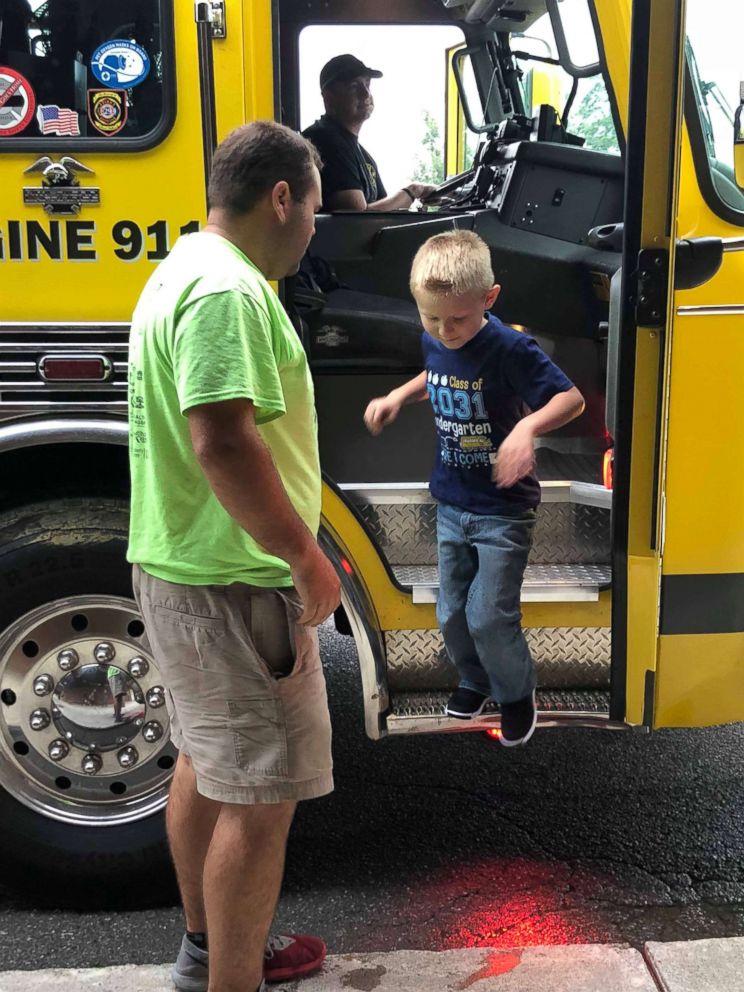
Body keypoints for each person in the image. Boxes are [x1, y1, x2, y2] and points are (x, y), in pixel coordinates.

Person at [127, 120, 341, 992]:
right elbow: (220, 440)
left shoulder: (183, 268)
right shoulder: (229, 291)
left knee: (210, 769)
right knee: (262, 797)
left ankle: (212, 952)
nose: (316, 228)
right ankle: (231, 981)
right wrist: (304, 555)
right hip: (235, 585)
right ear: (280, 197)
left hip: (187, 567)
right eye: (315, 208)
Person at [363, 231, 584, 745]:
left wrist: (526, 430)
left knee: (488, 615)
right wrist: (399, 395)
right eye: (430, 318)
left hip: (502, 511)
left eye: (457, 319)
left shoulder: (510, 348)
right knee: (451, 610)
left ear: (489, 299)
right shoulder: (438, 337)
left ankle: (514, 693)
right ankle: (475, 680)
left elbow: (569, 400)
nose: (444, 331)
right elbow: (436, 370)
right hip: (451, 502)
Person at [302, 53, 437, 211]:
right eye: (354, 86)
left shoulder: (363, 156)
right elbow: (358, 218)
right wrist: (412, 192)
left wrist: (416, 194)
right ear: (328, 98)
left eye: (367, 84)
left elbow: (385, 212)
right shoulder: (324, 139)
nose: (366, 94)